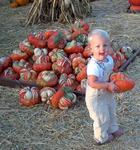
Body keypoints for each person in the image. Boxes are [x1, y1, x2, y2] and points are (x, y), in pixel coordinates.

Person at [85, 29, 124, 145]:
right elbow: (92, 83)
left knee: (111, 110)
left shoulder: (109, 59)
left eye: (105, 45)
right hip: (96, 97)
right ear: (91, 49)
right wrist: (107, 85)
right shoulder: (93, 66)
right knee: (101, 117)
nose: (102, 49)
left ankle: (113, 128)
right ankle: (101, 137)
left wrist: (116, 78)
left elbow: (110, 72)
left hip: (107, 92)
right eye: (97, 46)